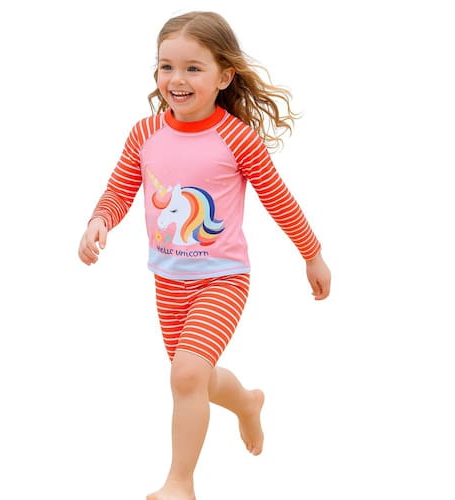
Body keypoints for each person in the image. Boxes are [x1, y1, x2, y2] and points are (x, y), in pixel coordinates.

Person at [78, 10, 331, 500]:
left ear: (224, 76)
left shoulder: (237, 138)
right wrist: (99, 220)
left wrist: (312, 254)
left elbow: (279, 201)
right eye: (166, 66)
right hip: (167, 280)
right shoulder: (144, 133)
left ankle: (180, 483)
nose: (177, 79)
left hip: (223, 278)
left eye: (193, 68)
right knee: (194, 379)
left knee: (187, 373)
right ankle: (247, 402)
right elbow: (120, 189)